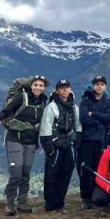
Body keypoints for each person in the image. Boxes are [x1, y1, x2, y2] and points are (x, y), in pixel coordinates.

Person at [0, 75, 49, 216]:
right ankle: (10, 202)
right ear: (31, 85)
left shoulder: (43, 100)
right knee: (16, 172)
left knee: (26, 172)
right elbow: (7, 111)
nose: (38, 88)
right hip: (15, 138)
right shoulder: (22, 97)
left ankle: (22, 201)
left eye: (41, 85)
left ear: (44, 87)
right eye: (35, 85)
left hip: (31, 140)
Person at [39, 79, 82, 212]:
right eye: (62, 88)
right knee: (52, 175)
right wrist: (50, 150)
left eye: (67, 87)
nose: (65, 90)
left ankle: (60, 203)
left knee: (66, 175)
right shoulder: (51, 107)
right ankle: (50, 204)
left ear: (70, 89)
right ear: (57, 91)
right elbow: (45, 128)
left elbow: (78, 126)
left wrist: (76, 143)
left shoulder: (74, 107)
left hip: (69, 145)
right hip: (55, 146)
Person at [78, 75, 110, 210]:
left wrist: (94, 114)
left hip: (102, 141)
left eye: (102, 84)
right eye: (97, 84)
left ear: (105, 86)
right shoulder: (85, 101)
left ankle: (96, 196)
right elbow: (84, 119)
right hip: (87, 141)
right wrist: (101, 119)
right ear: (93, 86)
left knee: (100, 170)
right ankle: (86, 197)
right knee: (86, 170)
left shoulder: (107, 101)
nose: (99, 86)